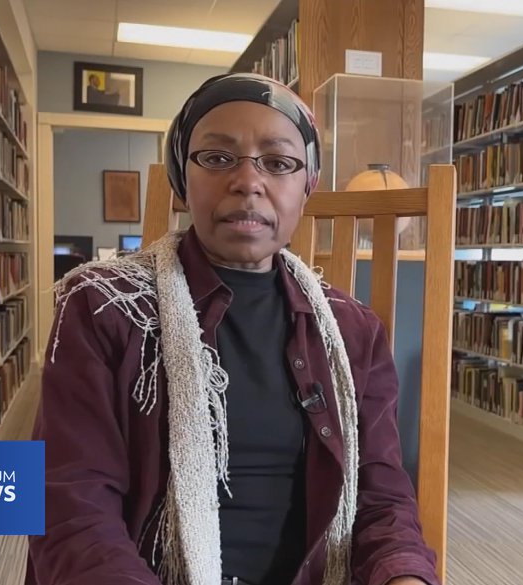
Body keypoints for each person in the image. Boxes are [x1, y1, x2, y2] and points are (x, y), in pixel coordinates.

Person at [25, 72, 439, 585]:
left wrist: (405, 577)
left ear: (305, 187)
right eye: (217, 158)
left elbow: (383, 499)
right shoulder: (101, 305)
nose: (248, 181)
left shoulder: (355, 332)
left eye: (280, 162)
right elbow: (69, 503)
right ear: (183, 179)